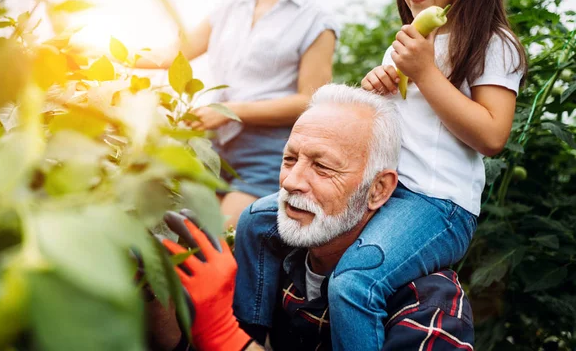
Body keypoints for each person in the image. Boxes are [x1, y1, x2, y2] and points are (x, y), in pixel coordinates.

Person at [234, 0, 528, 349]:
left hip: (436, 204)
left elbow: (492, 136)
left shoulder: (493, 43)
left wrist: (424, 72)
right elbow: (384, 125)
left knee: (354, 283)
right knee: (255, 220)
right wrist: (376, 87)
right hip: (380, 191)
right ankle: (252, 337)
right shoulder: (409, 43)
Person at [152, 84, 475, 350]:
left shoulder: (430, 308)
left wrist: (225, 336)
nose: (291, 182)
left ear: (377, 190)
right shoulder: (265, 261)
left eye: (322, 167)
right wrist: (158, 298)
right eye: (290, 159)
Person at [137, 0, 338, 228]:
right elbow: (173, 54)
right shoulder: (232, 7)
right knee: (176, 233)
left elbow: (310, 101)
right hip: (212, 146)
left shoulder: (315, 21)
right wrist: (103, 55)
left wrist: (231, 110)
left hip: (265, 153)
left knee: (215, 241)